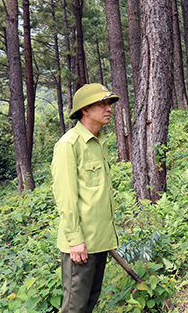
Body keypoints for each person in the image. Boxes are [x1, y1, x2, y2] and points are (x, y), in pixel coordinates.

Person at [51, 83, 120, 313]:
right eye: (102, 103)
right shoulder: (69, 145)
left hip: (99, 241)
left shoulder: (98, 142)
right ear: (85, 110)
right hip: (81, 246)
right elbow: (65, 197)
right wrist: (75, 239)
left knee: (90, 302)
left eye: (109, 103)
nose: (108, 108)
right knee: (74, 308)